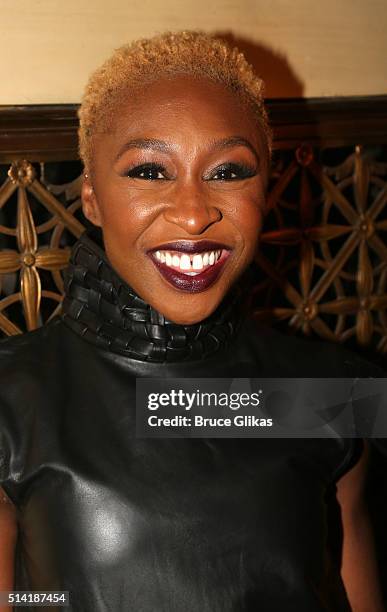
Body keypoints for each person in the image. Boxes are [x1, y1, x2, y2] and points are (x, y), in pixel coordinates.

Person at [0, 31, 385, 612]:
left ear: (267, 192)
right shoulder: (12, 401)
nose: (194, 211)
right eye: (149, 172)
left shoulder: (333, 391)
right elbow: (29, 600)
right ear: (92, 198)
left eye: (229, 171)